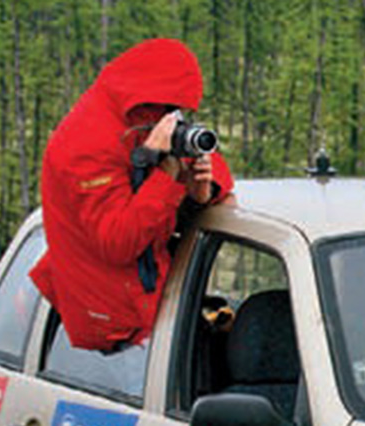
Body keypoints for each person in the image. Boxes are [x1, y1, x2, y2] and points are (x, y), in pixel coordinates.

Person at [31, 38, 234, 352]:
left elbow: (215, 172)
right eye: (167, 107)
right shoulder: (86, 144)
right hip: (113, 330)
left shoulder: (146, 121)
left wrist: (200, 194)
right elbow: (117, 242)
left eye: (176, 109)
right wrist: (165, 175)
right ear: (145, 101)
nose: (172, 117)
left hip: (158, 310)